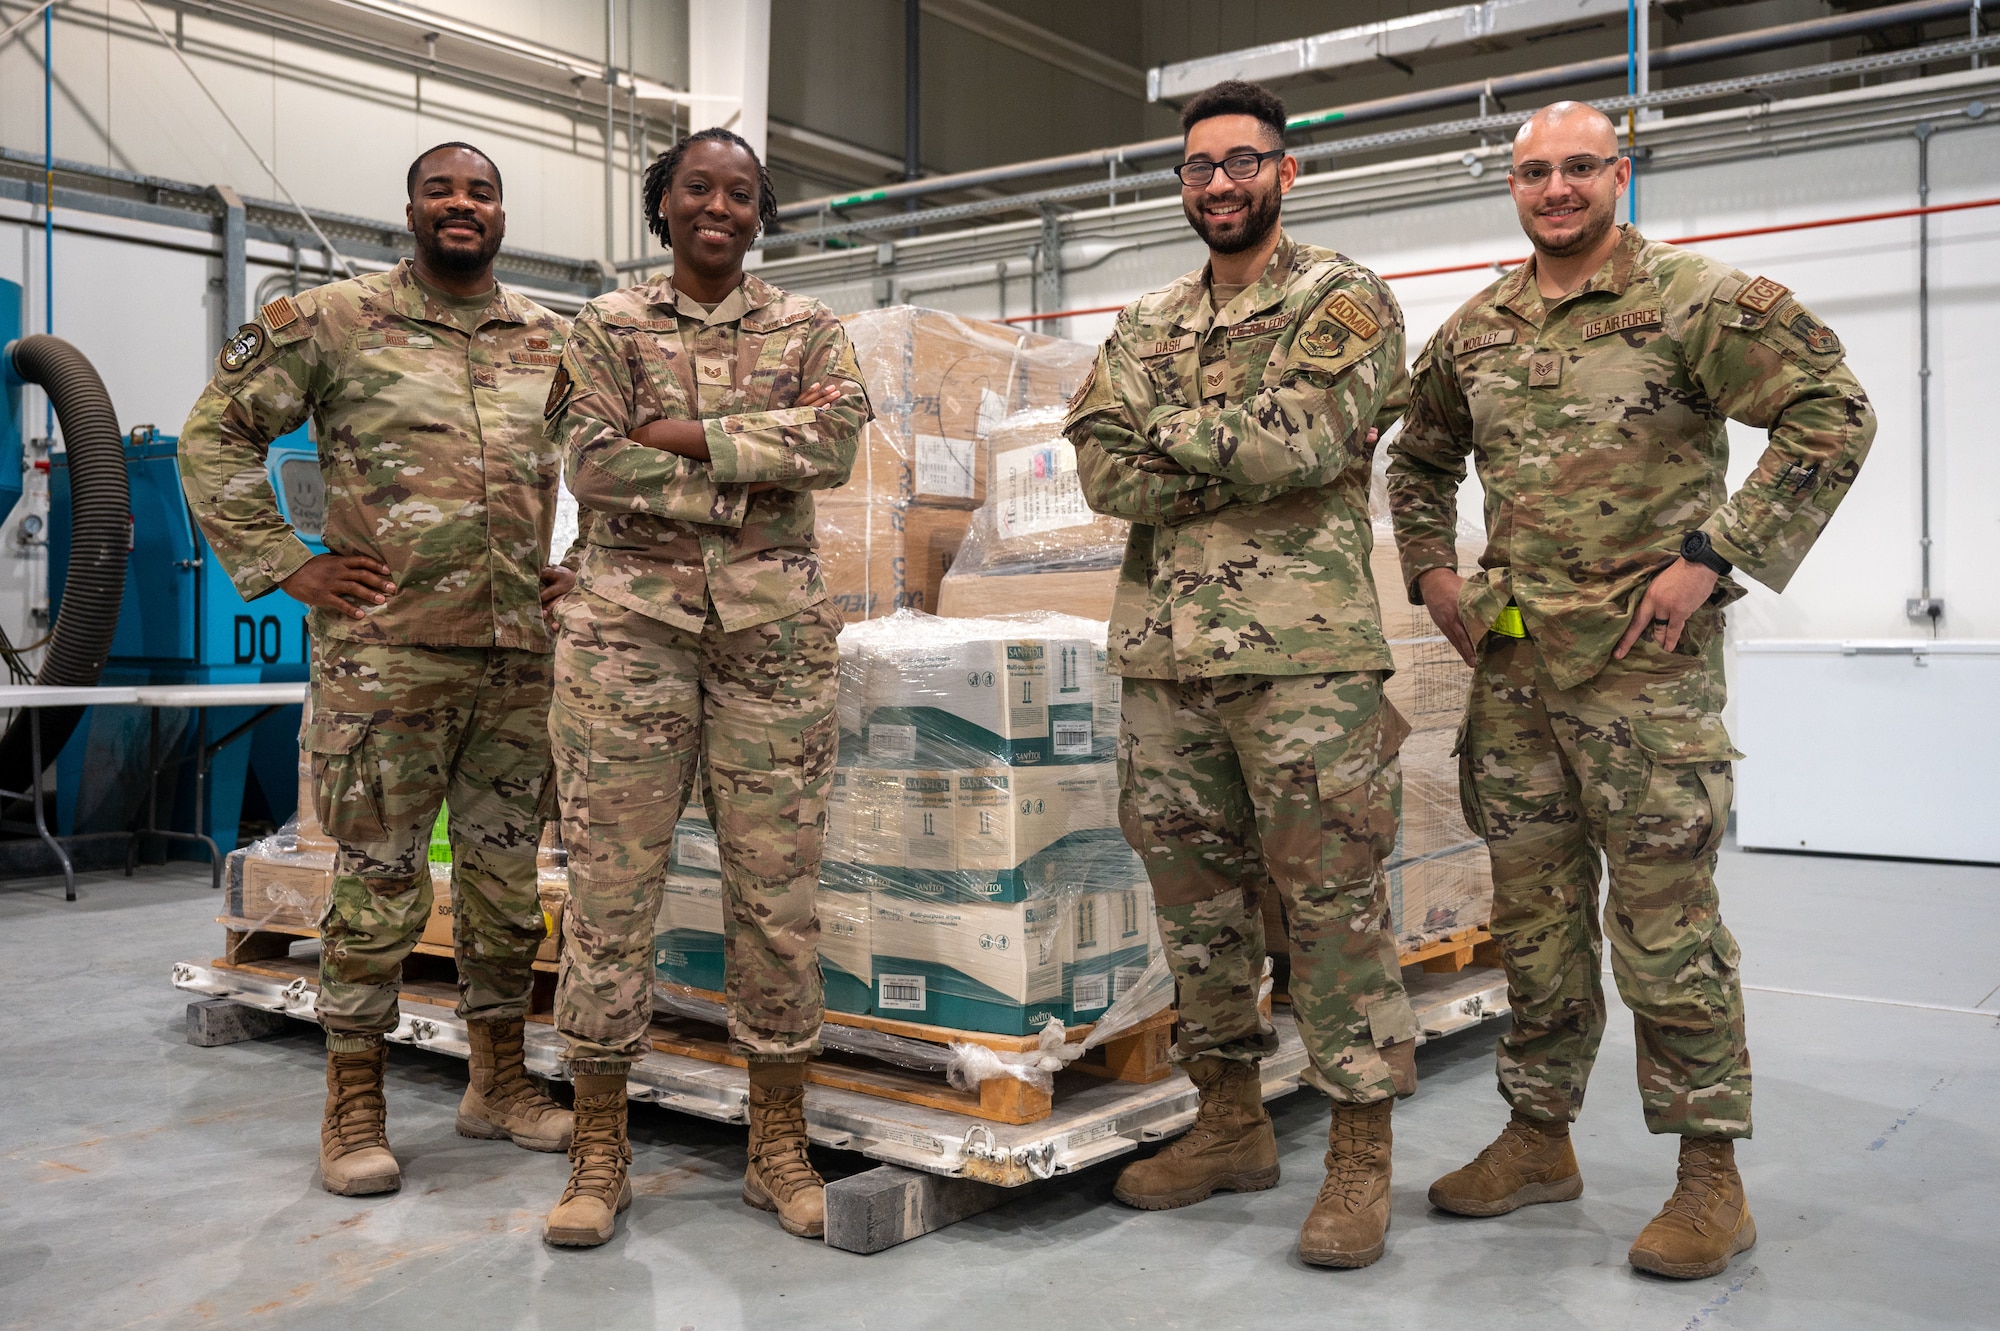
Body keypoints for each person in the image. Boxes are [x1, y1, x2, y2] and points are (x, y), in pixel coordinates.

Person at [1389, 101, 1875, 1279]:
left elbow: (1830, 412)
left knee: (1664, 927)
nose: (1553, 189)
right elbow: (1414, 453)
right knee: (1538, 928)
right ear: (1510, 186)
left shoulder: (1693, 302)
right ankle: (1537, 1136)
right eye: (1530, 172)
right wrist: (1431, 569)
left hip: (1643, 678)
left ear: (1618, 173)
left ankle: (1708, 1177)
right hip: (1513, 679)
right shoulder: (1479, 327)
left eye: (1575, 168)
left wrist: (1712, 557)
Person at [179, 143, 582, 1197]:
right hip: (385, 660)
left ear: (503, 213)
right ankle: (351, 1100)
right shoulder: (334, 321)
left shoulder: (551, 340)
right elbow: (213, 436)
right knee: (378, 888)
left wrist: (578, 570)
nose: (462, 204)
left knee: (503, 891)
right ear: (411, 206)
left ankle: (497, 1080)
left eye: (481, 191)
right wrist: (286, 564)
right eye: (442, 189)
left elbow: (623, 463)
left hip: (514, 666)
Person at [1064, 80, 1418, 1270]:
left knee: (1331, 910)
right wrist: (1238, 449)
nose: (1219, 183)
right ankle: (1227, 1122)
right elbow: (1100, 473)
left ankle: (1358, 1156)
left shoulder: (1344, 297)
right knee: (1196, 911)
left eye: (1241, 162)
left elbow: (1307, 436)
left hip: (1301, 658)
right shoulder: (1151, 312)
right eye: (1198, 167)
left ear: (1285, 171)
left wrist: (1172, 432)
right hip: (1164, 659)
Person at [539, 127, 871, 1248]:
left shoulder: (809, 327)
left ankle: (776, 1140)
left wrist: (679, 436)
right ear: (663, 204)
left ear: (759, 210)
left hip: (770, 645)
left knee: (775, 900)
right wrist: (744, 467)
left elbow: (832, 447)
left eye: (740, 191)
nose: (718, 206)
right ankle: (599, 1142)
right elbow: (590, 461)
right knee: (608, 892)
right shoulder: (603, 325)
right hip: (625, 640)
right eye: (697, 188)